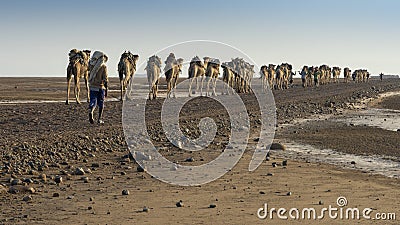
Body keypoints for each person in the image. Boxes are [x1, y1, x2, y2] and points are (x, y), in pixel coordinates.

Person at [88, 51, 109, 124]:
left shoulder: (91, 65)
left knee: (93, 101)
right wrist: (106, 90)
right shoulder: (103, 67)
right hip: (100, 87)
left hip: (92, 86)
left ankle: (91, 111)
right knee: (101, 103)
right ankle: (99, 119)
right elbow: (105, 79)